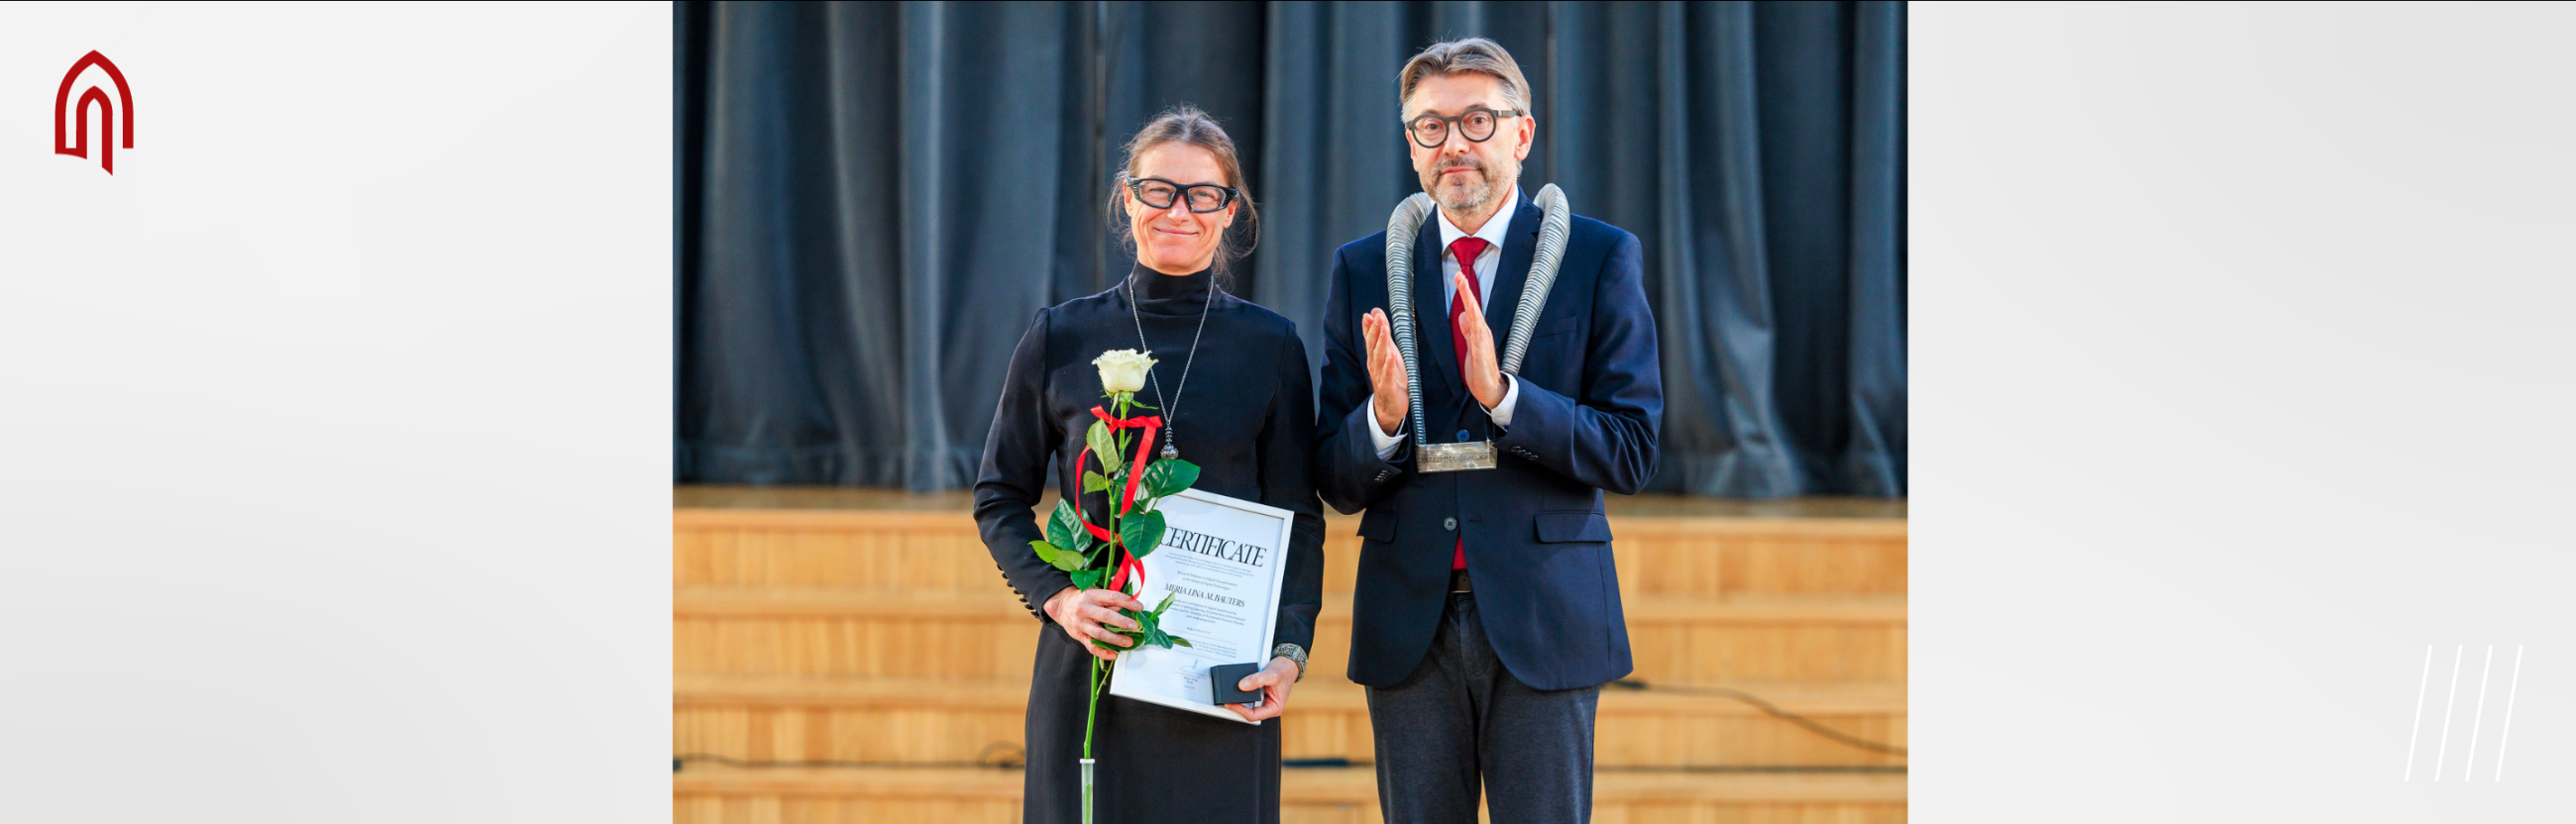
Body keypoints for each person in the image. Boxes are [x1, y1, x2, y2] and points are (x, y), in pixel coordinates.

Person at [1312, 38, 1662, 824]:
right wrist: (1382, 421)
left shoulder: (1598, 256)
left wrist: (1506, 399)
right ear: (1411, 145)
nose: (1454, 144)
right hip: (1409, 620)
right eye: (1430, 127)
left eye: (1477, 120)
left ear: (1522, 133)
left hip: (1546, 615)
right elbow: (1333, 477)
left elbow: (1633, 450)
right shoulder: (1362, 269)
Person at [974, 105, 1326, 824]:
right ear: (1128, 199)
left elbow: (1299, 518)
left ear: (1230, 211)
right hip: (1091, 665)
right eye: (1159, 190)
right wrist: (1059, 599)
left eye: (1204, 195)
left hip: (1221, 674)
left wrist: (1290, 649)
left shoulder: (1272, 347)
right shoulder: (1060, 336)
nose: (1179, 211)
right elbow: (999, 497)